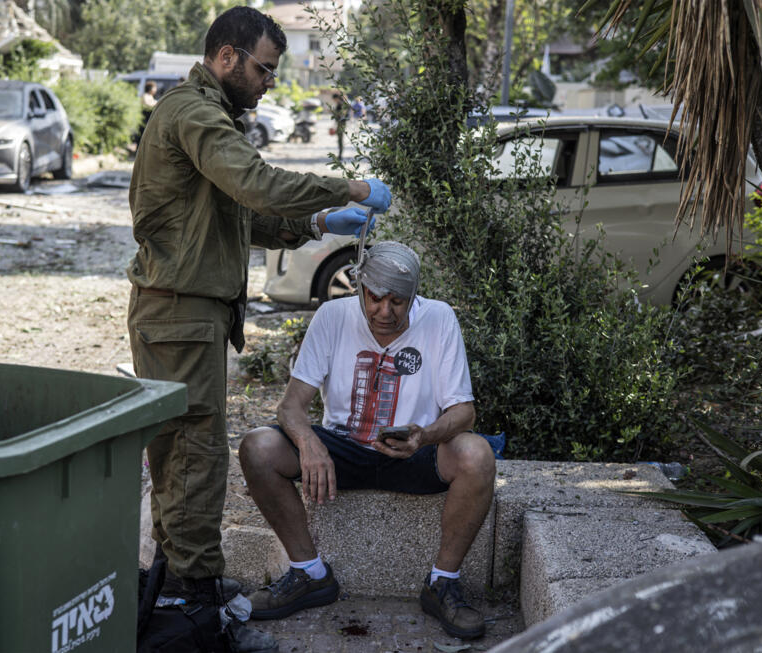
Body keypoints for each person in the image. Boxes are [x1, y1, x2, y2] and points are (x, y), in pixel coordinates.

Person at [126, 5, 392, 648]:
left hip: (187, 313)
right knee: (196, 457)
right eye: (264, 68)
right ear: (226, 57)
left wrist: (316, 226)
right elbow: (255, 185)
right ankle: (197, 608)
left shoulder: (208, 115)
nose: (270, 81)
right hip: (179, 312)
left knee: (183, 457)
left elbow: (240, 216)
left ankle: (183, 583)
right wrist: (347, 188)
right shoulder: (194, 112)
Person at [238, 241, 496, 641]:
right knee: (257, 447)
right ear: (359, 288)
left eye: (398, 301)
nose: (385, 312)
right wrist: (310, 444)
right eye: (375, 299)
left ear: (414, 297)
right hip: (343, 452)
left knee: (476, 454)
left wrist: (424, 435)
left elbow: (464, 412)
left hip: (415, 452)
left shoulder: (439, 318)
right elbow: (290, 407)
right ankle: (310, 574)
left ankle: (443, 584)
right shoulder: (332, 316)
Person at [331, 92, 349, 159]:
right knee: (339, 139)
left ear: (336, 98)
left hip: (341, 123)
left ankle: (340, 155)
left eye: (334, 99)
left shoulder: (341, 104)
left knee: (340, 139)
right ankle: (340, 154)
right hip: (340, 123)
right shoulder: (340, 104)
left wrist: (334, 112)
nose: (334, 101)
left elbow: (342, 114)